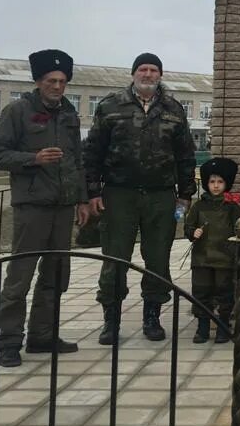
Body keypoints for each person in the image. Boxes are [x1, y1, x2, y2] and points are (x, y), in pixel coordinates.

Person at [84, 53, 196, 345]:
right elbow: (93, 151)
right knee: (115, 258)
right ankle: (111, 319)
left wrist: (185, 195)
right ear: (134, 73)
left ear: (160, 74)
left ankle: (152, 316)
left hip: (161, 195)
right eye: (143, 69)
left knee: (158, 258)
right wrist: (92, 191)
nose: (148, 74)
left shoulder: (173, 108)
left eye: (153, 70)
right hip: (119, 194)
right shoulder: (110, 105)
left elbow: (185, 154)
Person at [0, 50, 90, 367]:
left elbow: (77, 161)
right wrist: (32, 159)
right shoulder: (17, 111)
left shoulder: (69, 115)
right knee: (20, 275)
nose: (57, 87)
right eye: (51, 81)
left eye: (62, 81)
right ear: (38, 81)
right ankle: (8, 342)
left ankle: (42, 336)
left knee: (56, 275)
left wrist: (82, 199)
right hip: (32, 206)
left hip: (63, 207)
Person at [184, 157, 240, 344]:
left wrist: (233, 250)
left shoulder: (232, 207)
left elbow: (238, 230)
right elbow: (188, 226)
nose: (216, 186)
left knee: (224, 293)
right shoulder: (199, 206)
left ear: (226, 184)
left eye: (220, 182)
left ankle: (223, 326)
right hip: (202, 259)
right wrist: (194, 232)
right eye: (212, 182)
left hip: (224, 259)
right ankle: (202, 327)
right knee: (201, 292)